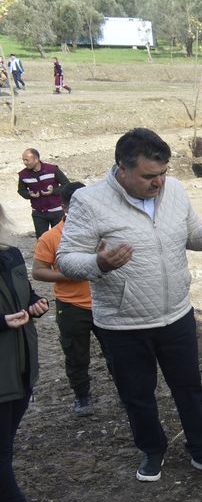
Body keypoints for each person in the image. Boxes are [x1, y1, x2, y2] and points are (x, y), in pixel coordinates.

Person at [56, 128, 202, 482]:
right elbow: (66, 259)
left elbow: (193, 237)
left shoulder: (176, 191)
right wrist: (99, 264)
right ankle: (152, 451)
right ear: (122, 169)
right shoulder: (89, 202)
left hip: (176, 315)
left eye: (164, 173)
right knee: (137, 395)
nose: (159, 183)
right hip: (123, 323)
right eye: (149, 176)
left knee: (190, 388)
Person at [32, 182, 112, 417]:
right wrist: (68, 273)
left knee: (118, 352)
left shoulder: (104, 232)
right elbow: (38, 271)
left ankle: (126, 392)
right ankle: (82, 396)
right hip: (72, 307)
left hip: (104, 302)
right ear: (65, 206)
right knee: (76, 356)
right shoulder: (51, 237)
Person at [1, 202, 50, 502]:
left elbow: (25, 292)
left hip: (20, 366)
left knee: (6, 442)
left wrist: (35, 303)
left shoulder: (11, 254)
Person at [18, 148, 70, 238]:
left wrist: (53, 191)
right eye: (23, 160)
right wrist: (29, 195)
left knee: (60, 238)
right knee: (42, 240)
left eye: (27, 160)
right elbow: (21, 190)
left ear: (36, 159)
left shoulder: (52, 169)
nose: (25, 162)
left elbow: (66, 184)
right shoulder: (23, 175)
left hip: (56, 211)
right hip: (38, 213)